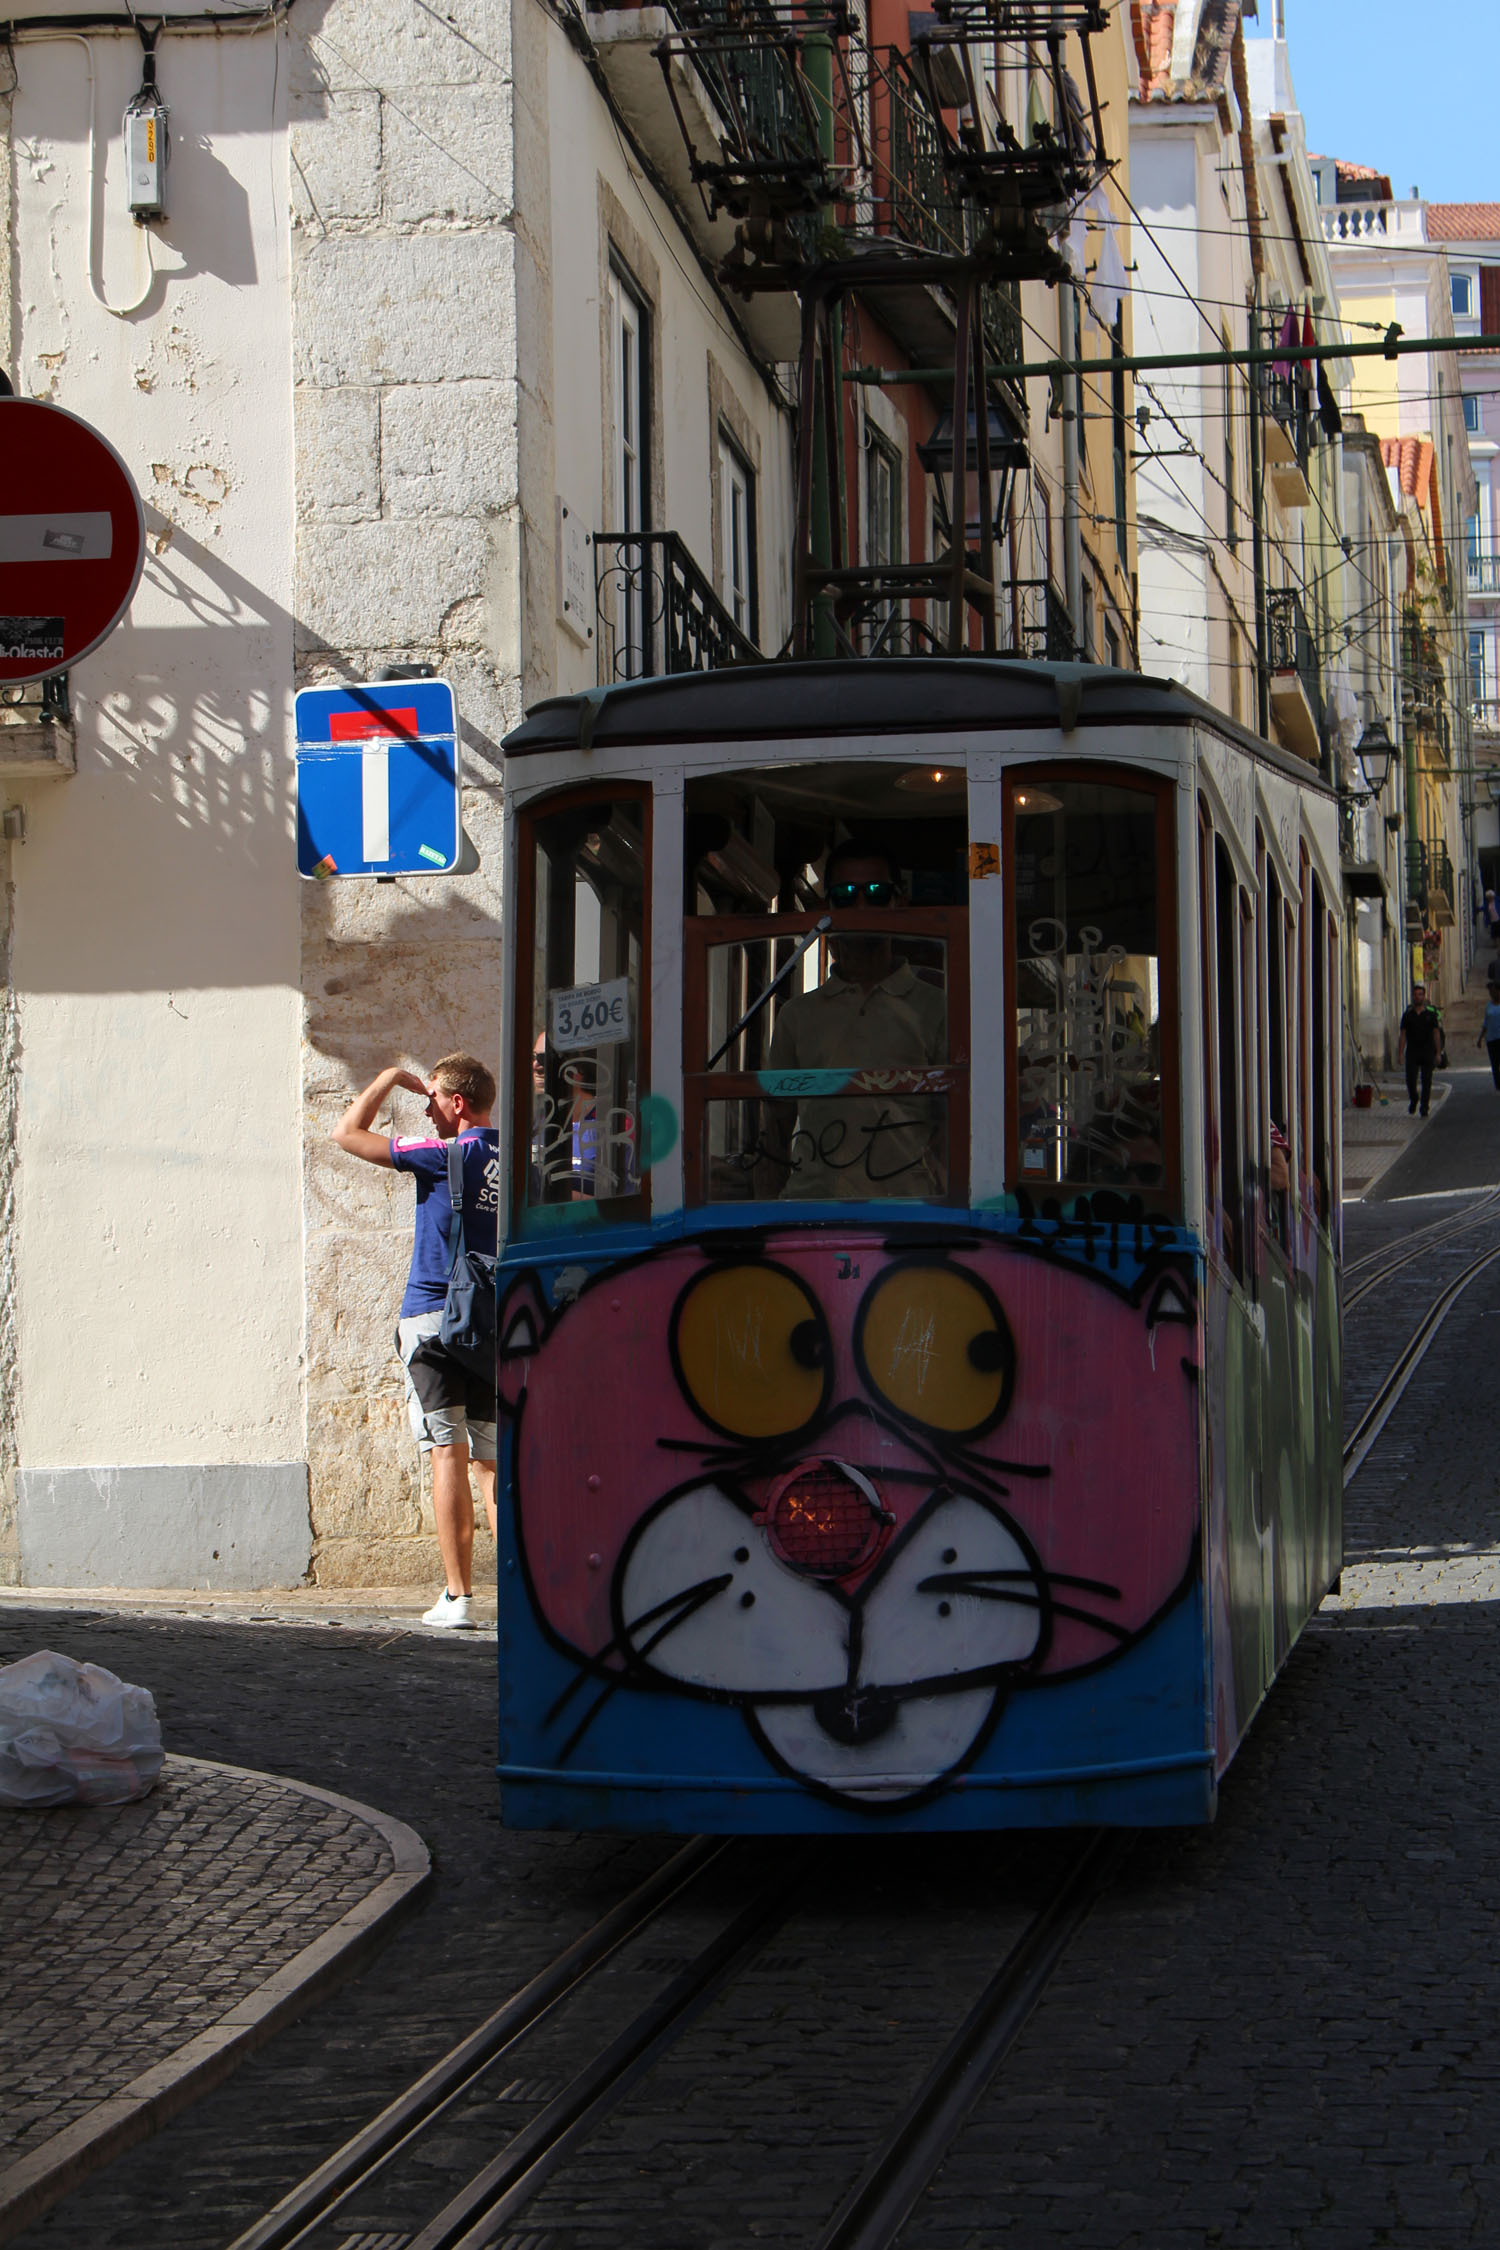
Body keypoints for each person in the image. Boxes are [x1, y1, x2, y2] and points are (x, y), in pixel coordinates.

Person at [331, 1053, 500, 1628]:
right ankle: (520, 1598)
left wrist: (384, 1080)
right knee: (493, 1460)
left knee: (446, 1451)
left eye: (431, 1099)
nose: (426, 1111)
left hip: (433, 1317)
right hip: (492, 1322)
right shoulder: (518, 1158)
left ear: (457, 1103)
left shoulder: (444, 1154)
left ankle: (458, 1597)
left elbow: (347, 1135)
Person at [755, 842, 946, 1199]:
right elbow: (775, 1134)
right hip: (810, 1214)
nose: (861, 907)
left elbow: (954, 1130)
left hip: (909, 1217)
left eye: (876, 893)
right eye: (845, 896)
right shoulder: (797, 1016)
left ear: (898, 903)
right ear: (827, 908)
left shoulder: (937, 1009)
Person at [1397, 983, 1442, 1119]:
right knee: (1410, 1079)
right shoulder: (1407, 1015)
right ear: (1413, 997)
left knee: (1427, 1079)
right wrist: (1400, 1053)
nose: (1418, 997)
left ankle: (1424, 1107)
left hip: (1427, 1051)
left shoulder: (1431, 1015)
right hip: (1412, 1051)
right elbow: (1403, 1035)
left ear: (1424, 996)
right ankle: (1414, 1098)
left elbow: (1436, 1034)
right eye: (1415, 995)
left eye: (1420, 994)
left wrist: (1438, 1052)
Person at [1478, 987, 1500, 1092]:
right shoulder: (1489, 1006)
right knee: (1494, 1062)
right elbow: (1485, 1023)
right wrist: (1480, 1038)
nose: (1492, 994)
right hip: (1491, 1039)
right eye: (1490, 992)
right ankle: (1498, 1085)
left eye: (1494, 992)